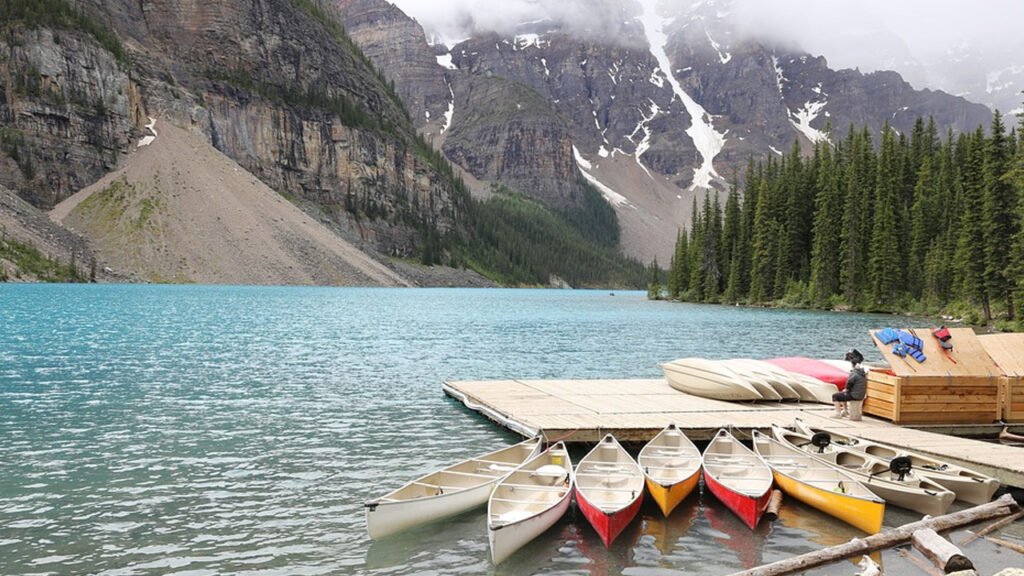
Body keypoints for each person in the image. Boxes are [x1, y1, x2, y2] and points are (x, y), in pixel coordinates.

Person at [832, 349, 867, 419]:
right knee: (843, 394)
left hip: (855, 395)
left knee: (835, 396)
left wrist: (846, 389)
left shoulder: (854, 374)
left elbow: (849, 384)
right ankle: (845, 411)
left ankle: (838, 413)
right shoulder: (862, 374)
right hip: (860, 394)